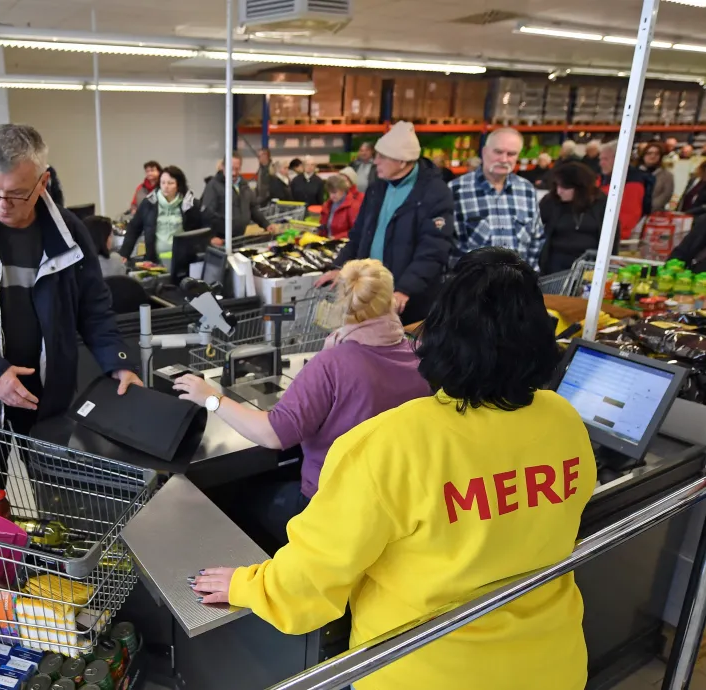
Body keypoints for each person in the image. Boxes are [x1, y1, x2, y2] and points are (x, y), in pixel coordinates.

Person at [192, 247, 596, 690]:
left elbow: (305, 589)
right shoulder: (563, 419)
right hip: (552, 666)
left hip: (425, 672)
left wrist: (248, 585)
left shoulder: (388, 445)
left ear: (440, 334)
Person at [0, 124, 141, 433]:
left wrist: (118, 361)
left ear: (43, 182)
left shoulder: (69, 233)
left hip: (50, 397)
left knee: (54, 481)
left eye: (17, 193)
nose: (2, 203)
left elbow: (93, 307)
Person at [172, 259, 428, 542]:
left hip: (327, 513)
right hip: (390, 509)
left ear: (341, 304)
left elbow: (272, 434)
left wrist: (211, 398)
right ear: (392, 300)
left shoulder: (333, 363)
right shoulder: (416, 355)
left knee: (232, 496)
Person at [316, 121, 454, 325]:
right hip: (370, 292)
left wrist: (405, 290)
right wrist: (340, 266)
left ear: (402, 161)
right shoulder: (377, 188)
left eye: (382, 157)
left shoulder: (435, 193)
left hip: (407, 302)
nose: (376, 161)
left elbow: (433, 250)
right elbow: (358, 235)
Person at [450, 127, 544, 269]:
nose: (504, 159)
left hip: (517, 286)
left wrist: (528, 277)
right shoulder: (456, 190)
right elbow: (448, 244)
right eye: (498, 152)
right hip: (473, 286)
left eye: (511, 154)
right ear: (484, 151)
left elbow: (536, 238)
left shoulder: (526, 190)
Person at [120, 165, 204, 265]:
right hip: (154, 260)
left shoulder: (190, 204)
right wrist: (125, 253)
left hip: (182, 260)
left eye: (170, 183)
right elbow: (134, 228)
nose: (166, 186)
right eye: (163, 182)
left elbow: (201, 230)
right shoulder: (149, 203)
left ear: (179, 184)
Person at [538, 162, 609, 274]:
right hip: (555, 265)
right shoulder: (550, 201)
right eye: (557, 185)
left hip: (590, 265)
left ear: (579, 188)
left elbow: (612, 236)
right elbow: (535, 229)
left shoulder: (601, 203)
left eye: (564, 187)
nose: (559, 191)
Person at [200, 150, 273, 248]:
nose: (234, 173)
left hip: (239, 239)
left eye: (237, 169)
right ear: (223, 167)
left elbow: (252, 209)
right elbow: (206, 214)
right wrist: (210, 237)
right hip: (220, 242)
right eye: (231, 169)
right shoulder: (213, 186)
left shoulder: (244, 186)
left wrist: (266, 224)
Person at [599, 141, 652, 242]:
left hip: (617, 240)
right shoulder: (604, 178)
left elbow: (628, 217)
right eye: (600, 159)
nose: (601, 163)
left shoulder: (633, 184)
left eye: (605, 159)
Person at [318, 174, 363, 240]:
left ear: (342, 190)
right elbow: (324, 225)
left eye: (334, 193)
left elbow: (356, 230)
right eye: (329, 193)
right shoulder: (327, 205)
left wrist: (337, 237)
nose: (331, 196)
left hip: (344, 244)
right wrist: (318, 230)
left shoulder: (353, 206)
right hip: (327, 242)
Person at [638, 142, 675, 213]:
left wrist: (647, 208)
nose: (652, 156)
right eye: (649, 153)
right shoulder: (634, 173)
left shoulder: (667, 176)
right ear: (643, 155)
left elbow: (666, 195)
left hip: (655, 213)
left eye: (656, 154)